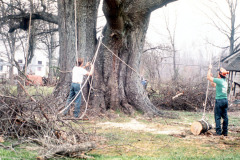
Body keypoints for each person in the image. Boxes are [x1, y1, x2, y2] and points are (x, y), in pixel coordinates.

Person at [207, 64, 229, 136]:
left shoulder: (219, 81)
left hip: (219, 101)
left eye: (218, 73)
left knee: (217, 116)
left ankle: (218, 132)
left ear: (220, 74)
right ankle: (225, 132)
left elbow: (208, 77)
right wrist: (212, 79)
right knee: (225, 117)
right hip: (225, 100)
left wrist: (209, 69)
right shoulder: (224, 82)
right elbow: (214, 85)